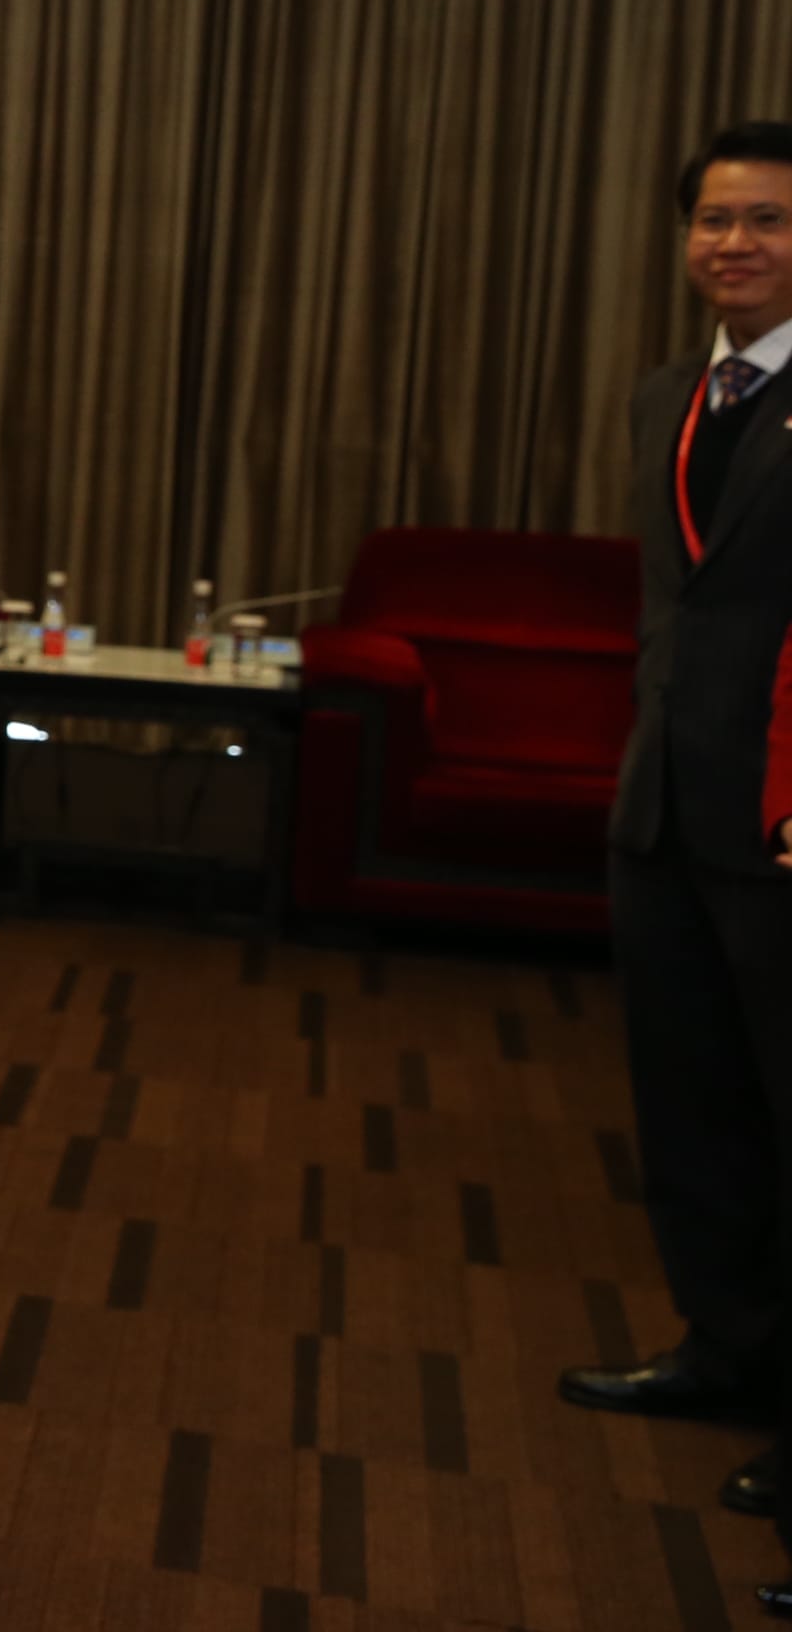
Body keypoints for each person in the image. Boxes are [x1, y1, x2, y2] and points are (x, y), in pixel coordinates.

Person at [566, 121, 792, 1616]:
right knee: (696, 1108)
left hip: (783, 822)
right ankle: (724, 1347)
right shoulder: (671, 392)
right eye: (714, 220)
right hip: (664, 815)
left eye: (767, 221)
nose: (734, 244)